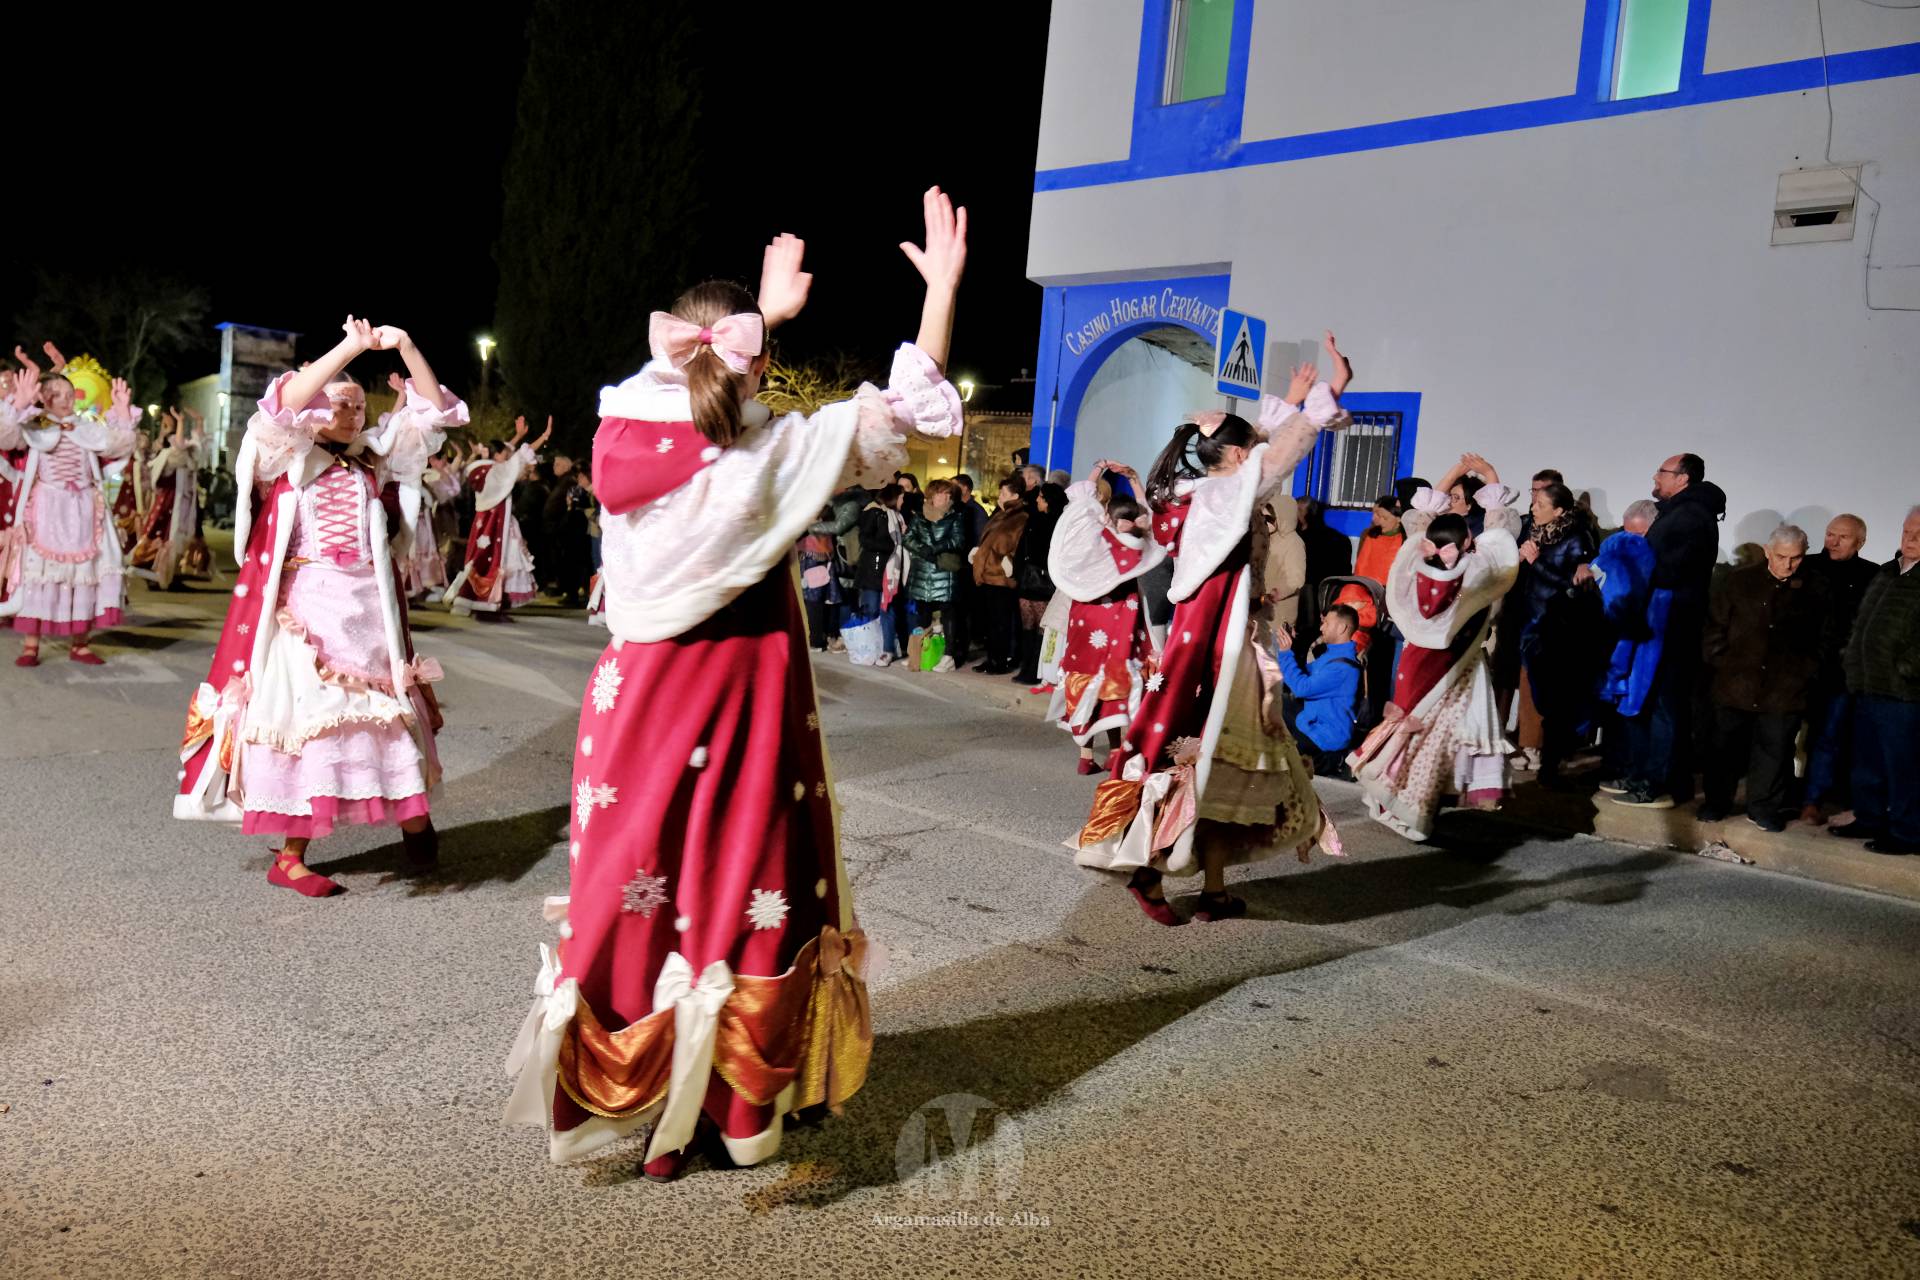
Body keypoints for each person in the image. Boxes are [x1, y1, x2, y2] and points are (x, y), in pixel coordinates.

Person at [504, 196, 968, 1177]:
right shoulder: (772, 449)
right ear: (758, 358)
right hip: (743, 694)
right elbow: (905, 416)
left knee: (638, 891)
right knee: (743, 890)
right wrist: (942, 295)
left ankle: (643, 1104)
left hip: (638, 700)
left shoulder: (625, 437)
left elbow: (693, 401)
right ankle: (731, 1102)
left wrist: (759, 324)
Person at [173, 317, 465, 895]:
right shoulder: (286, 456)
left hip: (369, 613)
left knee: (384, 720)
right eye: (339, 404)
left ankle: (414, 818)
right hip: (306, 617)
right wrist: (350, 348)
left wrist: (406, 345)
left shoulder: (374, 459)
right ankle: (290, 857)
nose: (351, 415)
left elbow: (435, 413)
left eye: (359, 406)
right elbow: (282, 402)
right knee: (313, 725)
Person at [1073, 357, 1349, 926]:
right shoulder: (1227, 496)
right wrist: (1321, 401)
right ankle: (1146, 867)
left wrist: (1279, 411)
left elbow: (1246, 457)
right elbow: (1270, 463)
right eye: (1251, 451)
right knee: (1211, 754)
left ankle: (1215, 891)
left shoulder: (1192, 493)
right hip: (1228, 652)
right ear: (1242, 457)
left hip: (1222, 639)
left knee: (1221, 768)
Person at [1349, 477, 1523, 840]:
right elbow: (1500, 546)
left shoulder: (1414, 565)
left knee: (1408, 737)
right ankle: (1408, 808)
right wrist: (1490, 484)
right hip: (1451, 670)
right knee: (1431, 743)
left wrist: (1446, 483)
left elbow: (1416, 526)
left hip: (1416, 662)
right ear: (1468, 542)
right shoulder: (1473, 573)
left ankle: (1386, 800)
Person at [0, 348, 139, 665]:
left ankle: (81, 643)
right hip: (47, 508)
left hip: (84, 510)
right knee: (42, 573)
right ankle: (31, 644)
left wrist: (122, 415)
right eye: (54, 394)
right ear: (43, 399)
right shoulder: (34, 422)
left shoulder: (85, 426)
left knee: (84, 574)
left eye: (67, 392)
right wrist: (18, 405)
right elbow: (7, 438)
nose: (64, 399)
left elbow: (118, 445)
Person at [1613, 453, 1726, 809]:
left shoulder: (1690, 517)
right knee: (1651, 701)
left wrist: (1629, 569)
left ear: (1683, 478)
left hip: (1671, 624)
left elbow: (1668, 569)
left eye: (1662, 472)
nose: (1655, 477)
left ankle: (1657, 781)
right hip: (1660, 621)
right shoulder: (1679, 512)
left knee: (1664, 704)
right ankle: (1643, 774)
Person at [1698, 525, 1828, 831]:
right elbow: (1715, 626)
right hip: (1736, 682)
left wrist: (1805, 673)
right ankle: (1717, 802)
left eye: (1796, 558)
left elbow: (1825, 637)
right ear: (1768, 552)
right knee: (1724, 749)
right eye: (1782, 556)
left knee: (1774, 751)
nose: (1788, 564)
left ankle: (1763, 807)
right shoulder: (1739, 581)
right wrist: (1722, 662)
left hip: (1785, 689)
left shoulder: (1816, 588)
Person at [1046, 462, 1165, 773]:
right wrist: (1135, 481)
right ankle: (1115, 751)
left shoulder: (1093, 540)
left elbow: (1080, 505)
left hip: (1086, 625)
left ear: (1107, 516)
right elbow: (1152, 523)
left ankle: (1086, 756)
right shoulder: (1134, 548)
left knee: (1086, 683)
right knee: (1113, 687)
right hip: (1120, 626)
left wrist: (1097, 472)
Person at [1832, 506, 1920, 855]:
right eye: (1907, 531)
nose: (1910, 539)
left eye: (1919, 534)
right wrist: (1851, 657)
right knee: (1866, 760)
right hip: (1868, 685)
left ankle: (1907, 832)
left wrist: (1906, 668)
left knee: (1904, 767)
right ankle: (1869, 817)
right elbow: (1862, 623)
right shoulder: (1888, 571)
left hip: (1904, 694)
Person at [1514, 480, 1601, 786]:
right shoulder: (1536, 534)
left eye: (1540, 504)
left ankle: (1548, 758)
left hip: (1555, 628)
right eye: (1533, 502)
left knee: (1552, 697)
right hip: (1531, 622)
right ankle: (1537, 750)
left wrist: (1536, 563)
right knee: (1534, 690)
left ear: (1559, 510)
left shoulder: (1576, 540)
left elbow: (1571, 586)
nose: (1533, 508)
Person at [1798, 514, 1879, 824]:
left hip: (1839, 672)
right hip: (1798, 668)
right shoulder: (1807, 566)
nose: (1832, 541)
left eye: (1841, 537)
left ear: (1859, 542)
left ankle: (1812, 800)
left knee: (1827, 736)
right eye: (1830, 534)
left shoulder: (1872, 575)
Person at [1589, 500, 1664, 786]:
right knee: (1620, 712)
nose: (1630, 541)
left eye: (1637, 535)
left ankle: (1626, 768)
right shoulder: (1628, 557)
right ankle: (1616, 765)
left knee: (1630, 713)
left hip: (1630, 646)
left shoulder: (1620, 558)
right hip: (1620, 646)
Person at [447, 415, 549, 618]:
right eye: (505, 453)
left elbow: (508, 460)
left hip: (496, 523)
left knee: (498, 559)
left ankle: (493, 602)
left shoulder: (489, 470)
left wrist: (517, 436)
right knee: (487, 559)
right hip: (492, 525)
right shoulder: (488, 472)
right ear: (498, 455)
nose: (508, 456)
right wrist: (542, 437)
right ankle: (484, 603)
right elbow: (514, 462)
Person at [129, 407, 205, 591]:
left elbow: (199, 446)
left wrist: (199, 422)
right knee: (161, 535)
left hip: (183, 504)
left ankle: (172, 575)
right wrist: (180, 423)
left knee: (180, 539)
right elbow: (179, 448)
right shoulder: (170, 456)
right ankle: (155, 575)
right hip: (168, 503)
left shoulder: (188, 457)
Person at [901, 476, 965, 666]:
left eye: (948, 494)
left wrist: (935, 549)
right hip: (922, 571)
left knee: (948, 613)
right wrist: (922, 550)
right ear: (932, 495)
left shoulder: (956, 516)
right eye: (941, 493)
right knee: (922, 614)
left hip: (944, 572)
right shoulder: (919, 516)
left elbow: (958, 540)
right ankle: (917, 651)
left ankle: (949, 655)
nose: (945, 497)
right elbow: (907, 538)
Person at [970, 475, 1027, 673]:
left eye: (1004, 493)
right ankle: (992, 657)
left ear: (1015, 495)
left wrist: (1008, 561)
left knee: (1001, 621)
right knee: (990, 621)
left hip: (1001, 576)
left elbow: (1017, 544)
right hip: (988, 573)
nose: (1000, 497)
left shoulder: (1019, 517)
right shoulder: (1000, 514)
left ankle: (999, 660)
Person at [1010, 480, 1066, 684]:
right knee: (1027, 626)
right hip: (1027, 579)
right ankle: (1026, 667)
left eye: (1041, 497)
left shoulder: (1059, 523)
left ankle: (1037, 670)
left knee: (1042, 627)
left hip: (1045, 582)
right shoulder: (1033, 519)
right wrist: (1017, 573)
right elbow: (1021, 549)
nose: (1037, 500)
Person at [854, 482, 909, 660]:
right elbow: (865, 539)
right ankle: (870, 647)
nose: (903, 500)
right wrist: (893, 545)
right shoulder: (874, 513)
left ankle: (887, 649)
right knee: (872, 609)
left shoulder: (898, 517)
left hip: (891, 570)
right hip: (873, 570)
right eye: (901, 497)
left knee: (888, 609)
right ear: (893, 498)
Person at [1293, 496, 1352, 654]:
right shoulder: (1340, 539)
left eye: (1298, 510)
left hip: (1310, 602)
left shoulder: (1300, 540)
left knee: (1303, 643)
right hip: (1327, 600)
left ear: (1309, 514)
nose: (1294, 513)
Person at [1250, 493, 1305, 654]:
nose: (1264, 523)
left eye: (1269, 519)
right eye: (1262, 518)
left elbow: (1296, 579)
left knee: (1272, 660)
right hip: (1258, 611)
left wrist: (1272, 594)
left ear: (1282, 519)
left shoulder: (1293, 543)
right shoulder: (1264, 539)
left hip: (1278, 615)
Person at [543, 452, 595, 607]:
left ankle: (579, 593)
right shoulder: (570, 486)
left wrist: (572, 506)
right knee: (574, 564)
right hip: (570, 531)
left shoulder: (575, 487)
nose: (578, 479)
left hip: (577, 532)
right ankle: (575, 592)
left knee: (579, 564)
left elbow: (580, 509)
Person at [948, 472, 988, 664]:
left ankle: (963, 648)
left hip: (967, 568)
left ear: (964, 488)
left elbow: (979, 542)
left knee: (964, 612)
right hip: (956, 567)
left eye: (954, 486)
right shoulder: (955, 509)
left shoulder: (976, 512)